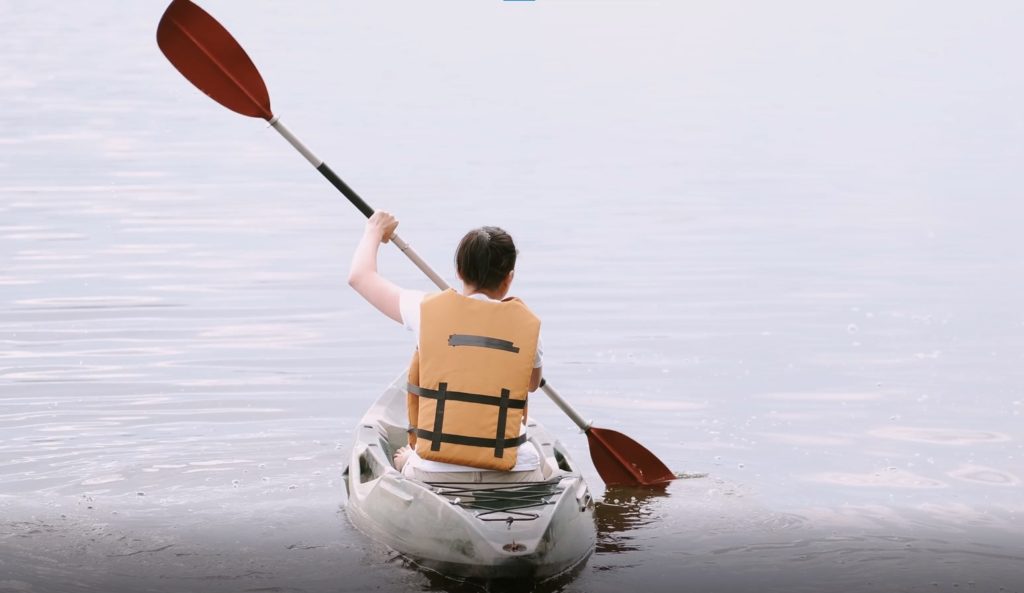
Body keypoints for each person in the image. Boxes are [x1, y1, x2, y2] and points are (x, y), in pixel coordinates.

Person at [348, 211, 545, 483]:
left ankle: (408, 460)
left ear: (459, 272)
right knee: (543, 466)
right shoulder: (527, 325)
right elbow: (532, 384)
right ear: (508, 279)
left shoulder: (424, 309)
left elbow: (359, 277)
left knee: (405, 456)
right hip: (516, 471)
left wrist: (374, 229)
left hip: (436, 470)